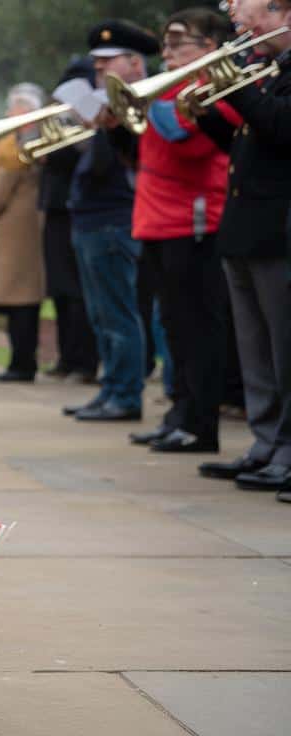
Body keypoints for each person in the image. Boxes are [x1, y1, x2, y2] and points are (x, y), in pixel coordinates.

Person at [124, 9, 238, 454]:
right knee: (172, 327)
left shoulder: (214, 86)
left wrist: (147, 103)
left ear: (208, 47)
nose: (166, 53)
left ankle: (201, 424)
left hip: (192, 220)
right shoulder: (170, 89)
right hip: (155, 219)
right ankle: (179, 413)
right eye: (166, 44)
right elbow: (142, 150)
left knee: (197, 329)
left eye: (177, 43)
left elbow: (185, 142)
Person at [189, 0, 291, 496]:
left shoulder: (277, 74)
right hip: (247, 226)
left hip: (279, 229)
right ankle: (266, 442)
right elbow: (248, 143)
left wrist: (242, 86)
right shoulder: (269, 69)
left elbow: (282, 128)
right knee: (256, 349)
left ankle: (286, 449)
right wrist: (207, 111)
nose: (246, 28)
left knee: (284, 349)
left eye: (256, 18)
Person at [62, 21, 157, 423]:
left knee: (119, 313)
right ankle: (111, 389)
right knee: (102, 315)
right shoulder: (107, 102)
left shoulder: (139, 101)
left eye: (107, 62)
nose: (98, 70)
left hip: (114, 217)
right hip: (92, 216)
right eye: (96, 64)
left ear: (135, 62)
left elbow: (122, 163)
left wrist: (102, 127)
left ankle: (125, 394)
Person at [0, 83, 46, 382]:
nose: (6, 113)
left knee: (20, 301)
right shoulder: (27, 142)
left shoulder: (15, 146)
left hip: (13, 229)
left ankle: (21, 364)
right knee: (22, 299)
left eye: (12, 108)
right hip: (23, 228)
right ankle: (22, 362)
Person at [41, 57, 100, 385]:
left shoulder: (85, 120)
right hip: (55, 209)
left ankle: (84, 361)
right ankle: (66, 357)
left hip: (73, 209)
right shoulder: (60, 119)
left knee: (77, 293)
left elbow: (83, 158)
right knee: (61, 291)